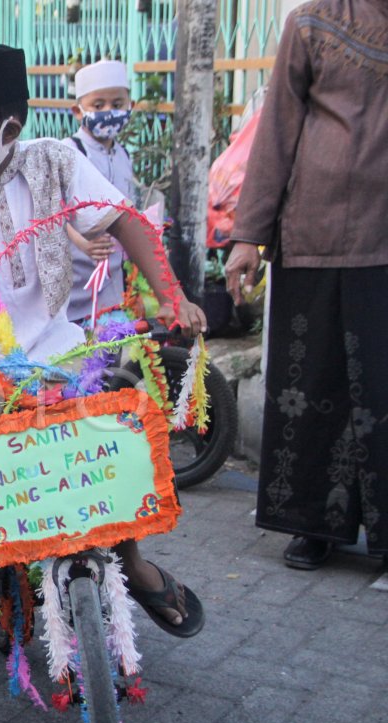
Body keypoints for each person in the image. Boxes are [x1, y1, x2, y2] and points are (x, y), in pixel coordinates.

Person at [0, 45, 208, 705]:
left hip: (62, 354)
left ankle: (136, 566)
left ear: (7, 126)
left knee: (115, 459)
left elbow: (124, 221)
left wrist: (171, 296)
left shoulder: (58, 162)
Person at [224, 0, 388, 571]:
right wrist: (249, 235)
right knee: (311, 385)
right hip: (313, 236)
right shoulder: (312, 21)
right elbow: (277, 130)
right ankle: (311, 527)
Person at [63, 59, 136, 325]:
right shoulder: (68, 152)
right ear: (78, 111)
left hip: (112, 279)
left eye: (117, 105)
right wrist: (84, 244)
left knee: (111, 348)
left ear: (131, 107)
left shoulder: (123, 155)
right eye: (98, 105)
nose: (108, 111)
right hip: (75, 278)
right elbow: (51, 212)